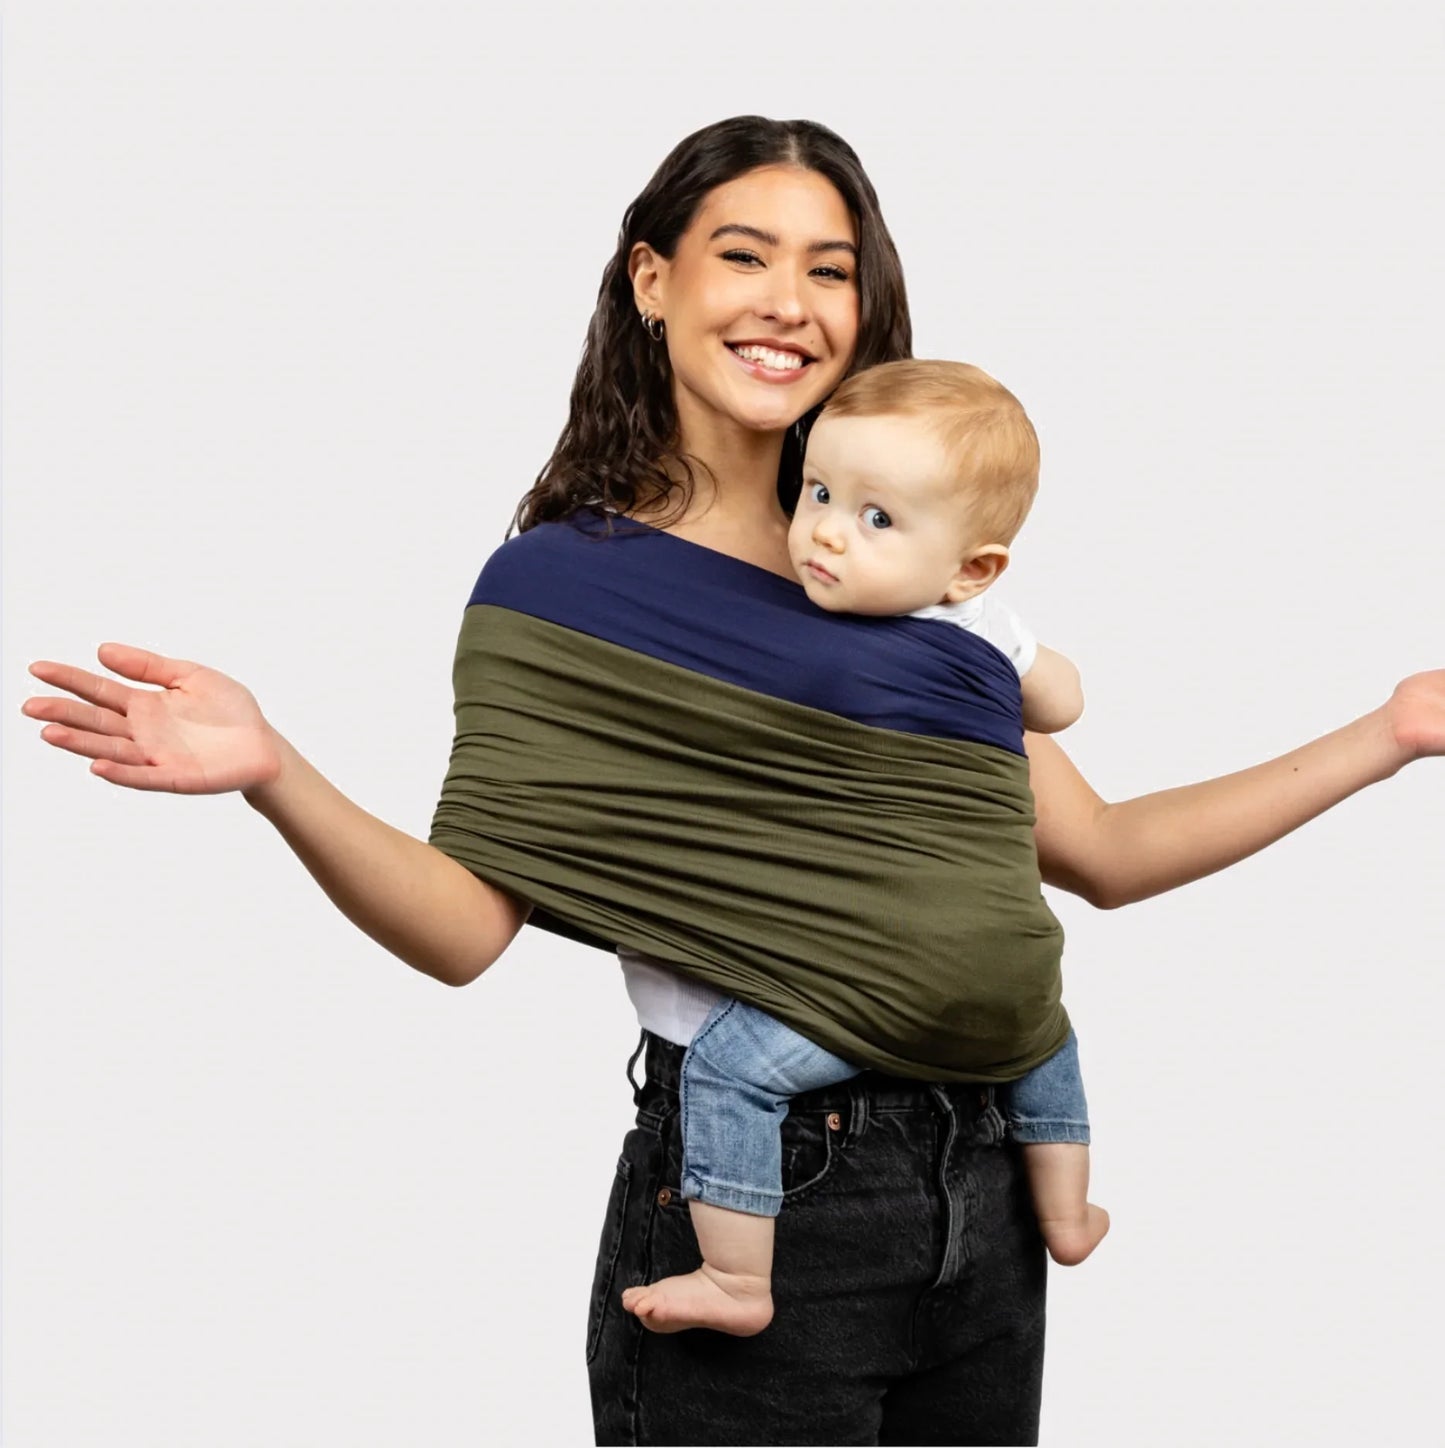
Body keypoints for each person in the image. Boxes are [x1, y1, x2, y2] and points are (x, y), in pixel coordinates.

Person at [21, 115, 1445, 1446]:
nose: (789, 300)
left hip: (984, 1164)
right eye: (743, 256)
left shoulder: (904, 580)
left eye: (828, 269)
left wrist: (1387, 732)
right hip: (754, 1188)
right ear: (653, 279)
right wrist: (280, 773)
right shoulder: (564, 590)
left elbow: (1108, 854)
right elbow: (464, 933)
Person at [621, 358, 1104, 1341]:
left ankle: (732, 1274)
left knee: (729, 1070)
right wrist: (1015, 668)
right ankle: (1064, 1212)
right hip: (1010, 962)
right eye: (819, 493)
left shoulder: (811, 649)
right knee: (1039, 1036)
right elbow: (1064, 697)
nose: (828, 530)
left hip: (880, 978)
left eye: (876, 518)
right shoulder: (983, 626)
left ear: (972, 562)